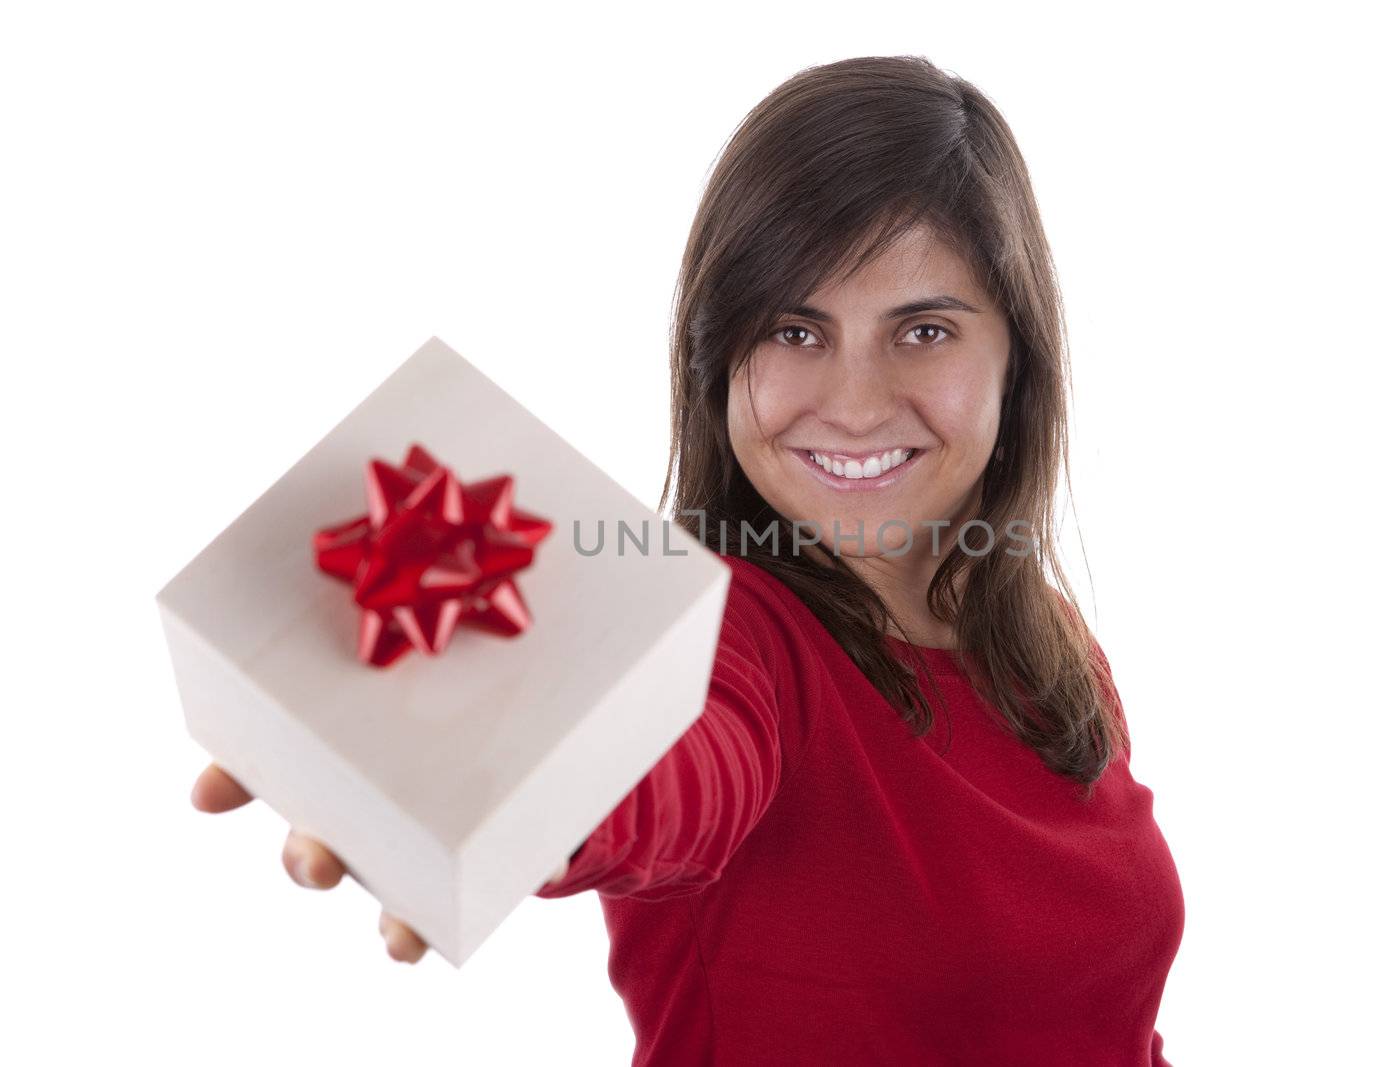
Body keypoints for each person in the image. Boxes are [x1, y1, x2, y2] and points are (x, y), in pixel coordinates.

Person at [190, 55, 1184, 1065]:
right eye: (794, 329)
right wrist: (525, 783)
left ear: (1017, 361)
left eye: (923, 329)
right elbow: (673, 767)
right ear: (718, 358)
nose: (852, 402)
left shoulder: (1042, 637)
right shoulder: (722, 630)